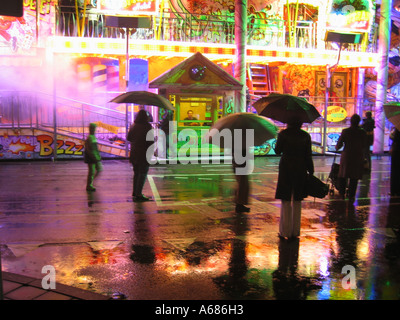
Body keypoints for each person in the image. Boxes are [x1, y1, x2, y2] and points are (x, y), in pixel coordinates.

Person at [274, 119, 314, 240]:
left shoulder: (283, 134)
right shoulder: (305, 136)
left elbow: (277, 151)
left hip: (286, 166)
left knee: (285, 199)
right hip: (300, 168)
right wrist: (311, 170)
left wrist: (279, 138)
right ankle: (295, 231)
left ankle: (284, 231)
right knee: (297, 198)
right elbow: (308, 155)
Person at [335, 114, 368, 201]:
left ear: (351, 121)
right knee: (354, 176)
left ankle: (342, 193)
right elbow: (365, 145)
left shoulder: (345, 131)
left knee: (343, 175)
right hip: (357, 156)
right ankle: (351, 195)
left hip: (347, 155)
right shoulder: (362, 132)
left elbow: (339, 145)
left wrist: (337, 146)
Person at [127, 109, 155, 201]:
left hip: (134, 153)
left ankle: (135, 192)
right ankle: (139, 194)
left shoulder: (133, 125)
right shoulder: (147, 126)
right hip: (144, 153)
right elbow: (150, 141)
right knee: (142, 173)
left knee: (136, 173)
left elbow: (129, 138)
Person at [84, 123, 103, 192]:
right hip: (92, 157)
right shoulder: (91, 137)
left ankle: (90, 183)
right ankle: (89, 185)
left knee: (95, 170)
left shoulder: (91, 137)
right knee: (93, 171)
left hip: (93, 157)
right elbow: (91, 149)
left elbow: (93, 148)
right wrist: (96, 156)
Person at [390, 127, 400, 197]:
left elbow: (394, 138)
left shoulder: (398, 129)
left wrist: (391, 133)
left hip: (396, 152)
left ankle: (394, 190)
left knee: (394, 171)